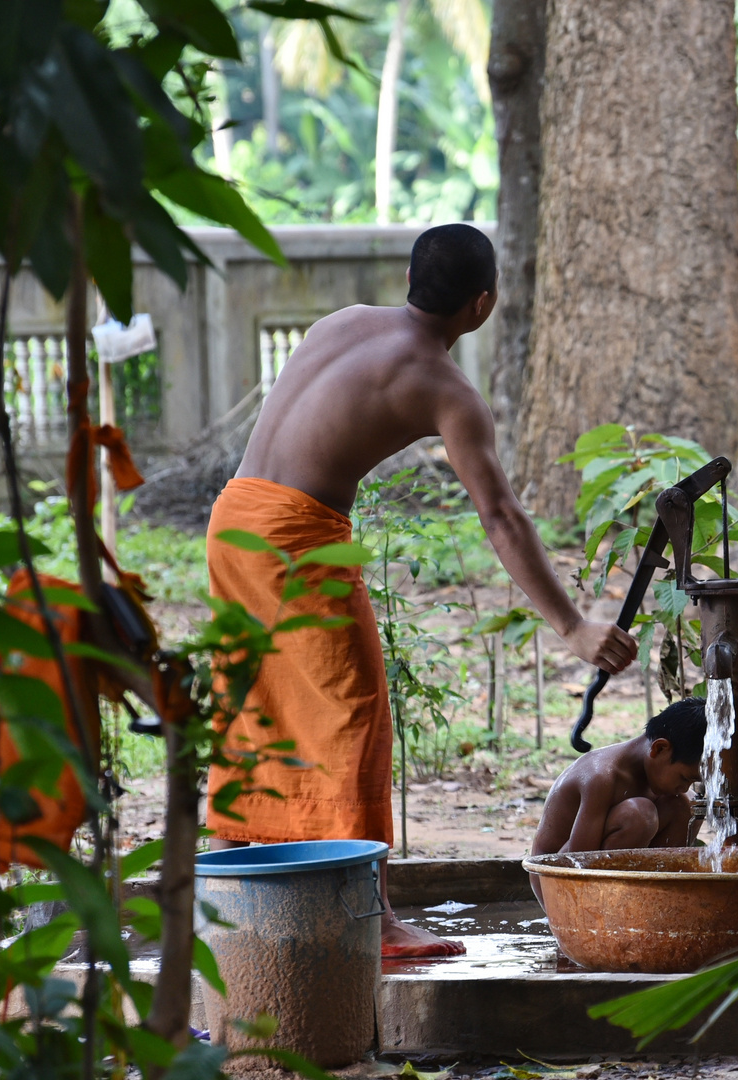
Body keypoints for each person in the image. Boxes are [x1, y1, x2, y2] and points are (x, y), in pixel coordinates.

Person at [205, 223, 637, 958]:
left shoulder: (342, 323)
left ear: (411, 280)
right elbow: (499, 515)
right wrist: (572, 627)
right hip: (296, 538)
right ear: (483, 303)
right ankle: (365, 919)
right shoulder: (446, 390)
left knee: (254, 703)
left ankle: (238, 888)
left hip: (233, 517)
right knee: (354, 714)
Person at [529, 697, 707, 907]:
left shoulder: (661, 781)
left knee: (685, 806)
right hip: (558, 883)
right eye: (685, 778)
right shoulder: (602, 777)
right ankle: (610, 913)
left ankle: (655, 907)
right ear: (659, 749)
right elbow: (577, 864)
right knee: (639, 815)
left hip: (591, 873)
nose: (684, 787)